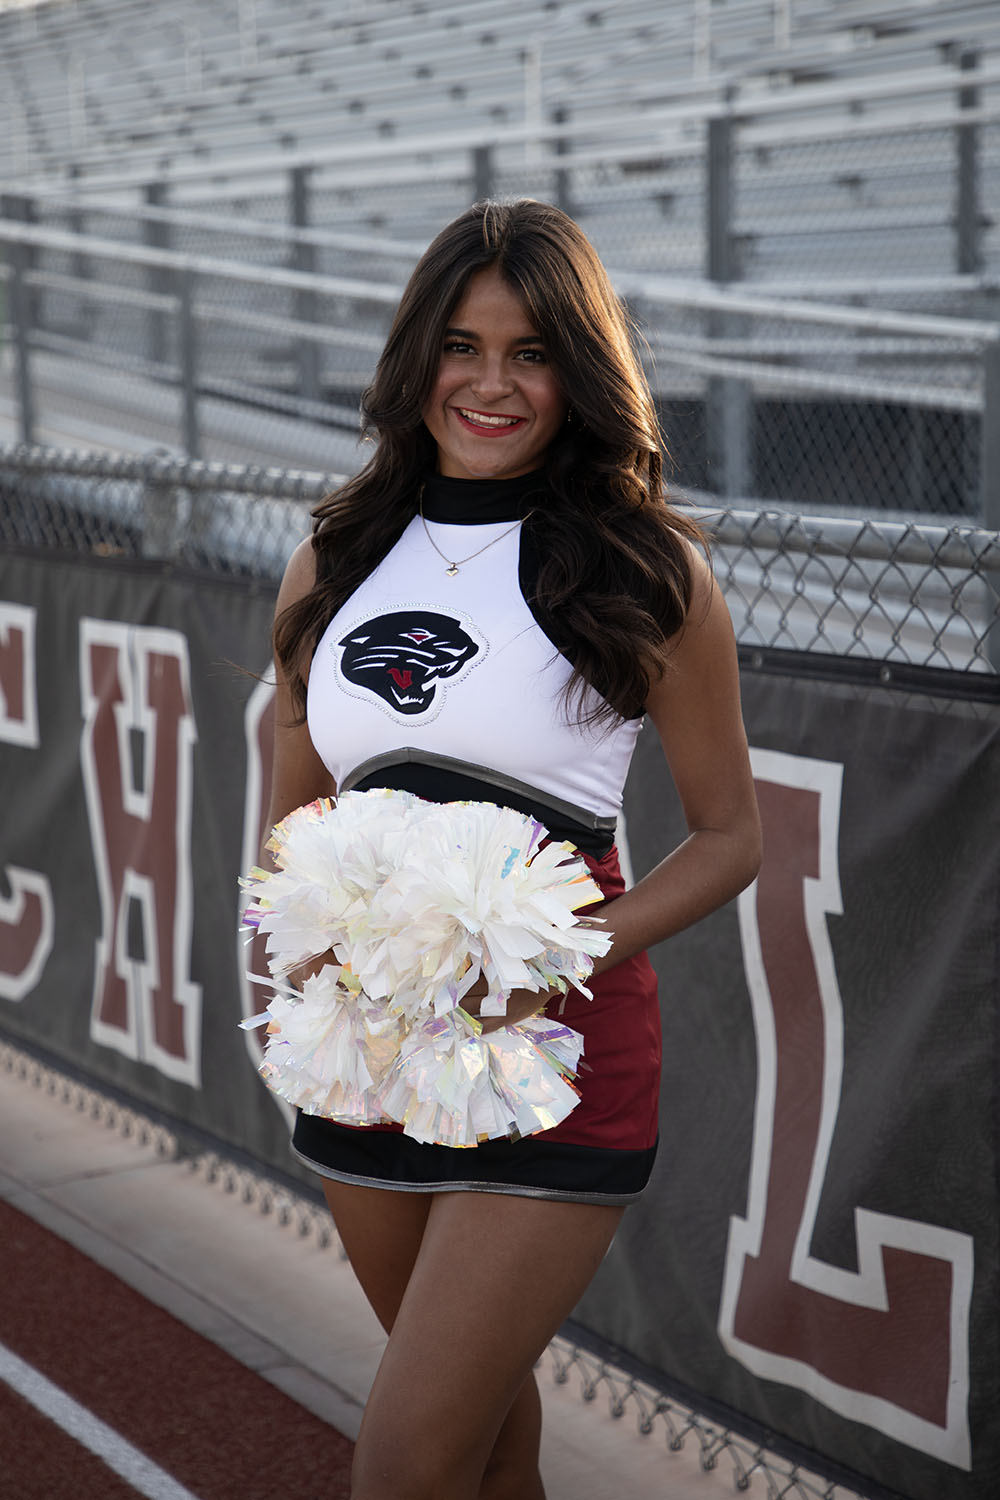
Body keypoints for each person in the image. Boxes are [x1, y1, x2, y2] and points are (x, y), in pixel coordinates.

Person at [264, 198, 761, 1500]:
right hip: (364, 1046)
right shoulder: (332, 558)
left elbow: (731, 837)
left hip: (552, 1050)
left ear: (579, 371)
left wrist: (554, 959)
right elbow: (293, 812)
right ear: (415, 356)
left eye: (532, 353)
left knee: (404, 1461)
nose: (491, 385)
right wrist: (313, 962)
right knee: (484, 1443)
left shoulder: (644, 571)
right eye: (462, 346)